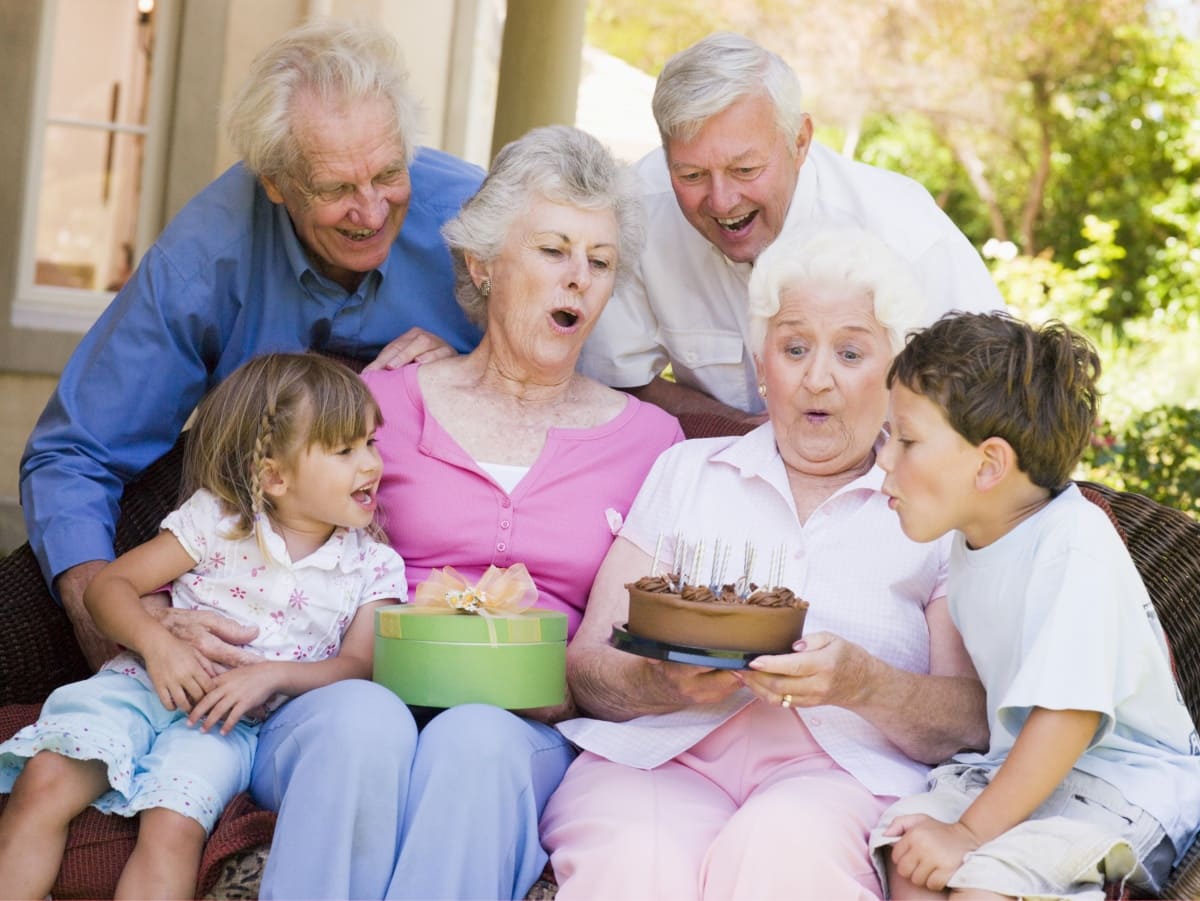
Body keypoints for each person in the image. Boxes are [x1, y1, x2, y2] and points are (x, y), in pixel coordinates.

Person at [242, 125, 683, 900]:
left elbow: (628, 639)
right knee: (362, 722)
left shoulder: (652, 443)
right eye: (552, 250)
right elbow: (257, 539)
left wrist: (556, 685)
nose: (579, 279)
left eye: (601, 261)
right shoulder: (380, 403)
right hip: (348, 698)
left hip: (524, 726)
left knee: (474, 738)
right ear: (483, 264)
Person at [19, 19, 483, 671]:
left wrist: (476, 370)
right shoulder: (203, 257)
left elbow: (566, 374)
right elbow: (76, 453)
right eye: (336, 189)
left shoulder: (479, 222)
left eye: (388, 174)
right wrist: (117, 622)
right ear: (275, 180)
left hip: (425, 527)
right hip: (244, 514)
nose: (373, 211)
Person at [541, 224, 987, 900]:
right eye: (795, 346)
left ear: (896, 376)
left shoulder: (934, 513)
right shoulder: (688, 470)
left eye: (850, 351)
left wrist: (863, 684)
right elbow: (587, 667)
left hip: (840, 776)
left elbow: (965, 720)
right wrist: (666, 684)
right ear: (761, 366)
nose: (817, 378)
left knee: (782, 853)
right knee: (634, 860)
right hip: (662, 758)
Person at [0, 353, 405, 900]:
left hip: (225, 726)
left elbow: (358, 665)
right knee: (46, 781)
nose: (370, 465)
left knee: (173, 826)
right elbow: (108, 588)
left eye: (371, 443)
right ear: (274, 476)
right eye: (344, 450)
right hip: (139, 685)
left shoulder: (373, 564)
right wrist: (156, 643)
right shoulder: (218, 521)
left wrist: (271, 677)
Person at [870, 311, 1200, 899]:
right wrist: (950, 832)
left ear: (990, 464)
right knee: (909, 850)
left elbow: (1067, 716)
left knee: (984, 881)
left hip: (1120, 785)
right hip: (1021, 770)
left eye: (908, 440)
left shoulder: (1074, 543)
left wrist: (970, 831)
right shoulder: (973, 537)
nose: (885, 461)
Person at [578, 31, 1005, 425]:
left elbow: (996, 398)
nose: (722, 201)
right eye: (691, 176)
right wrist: (747, 438)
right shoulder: (640, 209)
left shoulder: (904, 230)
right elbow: (619, 383)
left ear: (800, 142)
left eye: (745, 169)